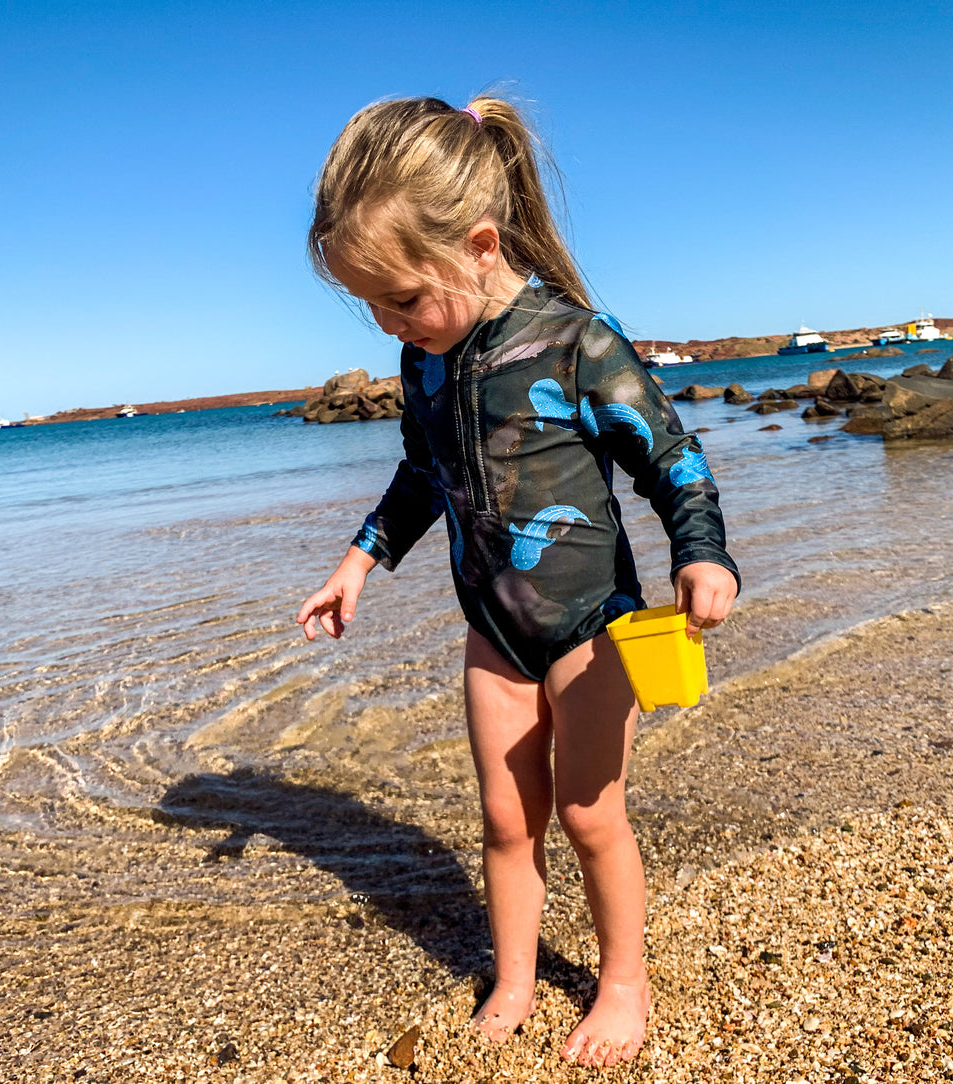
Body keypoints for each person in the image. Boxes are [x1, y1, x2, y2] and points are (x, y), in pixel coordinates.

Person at [296, 95, 739, 1069]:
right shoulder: (422, 364)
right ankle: (512, 979)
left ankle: (621, 983)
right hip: (491, 627)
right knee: (504, 818)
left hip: (592, 624)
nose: (390, 324)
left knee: (587, 812)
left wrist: (701, 553)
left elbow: (672, 459)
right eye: (372, 306)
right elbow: (422, 475)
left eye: (401, 298)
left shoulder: (577, 343)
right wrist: (358, 561)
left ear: (479, 246)